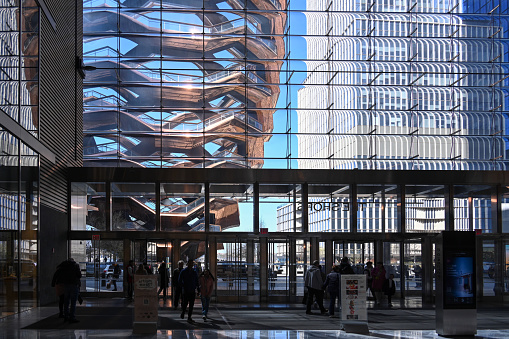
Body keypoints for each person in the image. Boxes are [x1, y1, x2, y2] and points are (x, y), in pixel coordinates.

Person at [60, 258, 82, 323]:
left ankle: (66, 316)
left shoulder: (64, 266)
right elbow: (79, 275)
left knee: (66, 301)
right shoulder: (75, 265)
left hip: (66, 285)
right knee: (73, 302)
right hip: (74, 284)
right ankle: (72, 317)